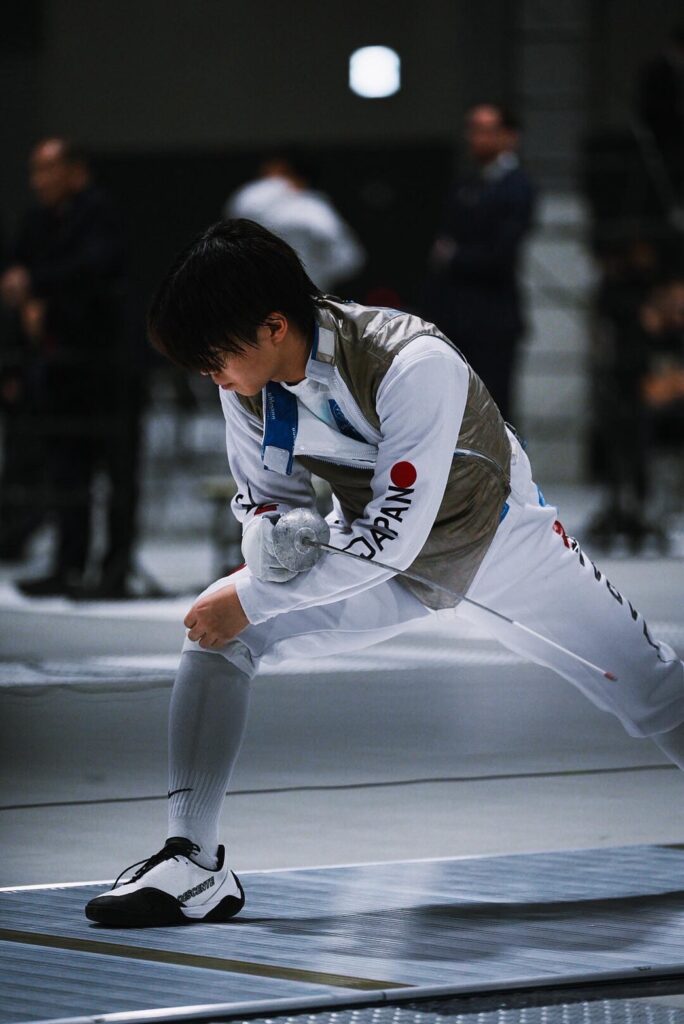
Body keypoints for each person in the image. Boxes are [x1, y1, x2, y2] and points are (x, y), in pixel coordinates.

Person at [85, 219, 684, 928]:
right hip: (377, 556)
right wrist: (268, 541)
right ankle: (194, 861)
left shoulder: (412, 361)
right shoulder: (245, 384)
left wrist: (252, 594)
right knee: (216, 633)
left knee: (650, 690)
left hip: (501, 548)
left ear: (274, 326)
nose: (210, 375)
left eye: (215, 357)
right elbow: (264, 500)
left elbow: (396, 540)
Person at [0, 138, 144, 597]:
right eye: (35, 171)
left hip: (109, 365)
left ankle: (113, 570)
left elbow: (94, 268)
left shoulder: (102, 212)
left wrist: (36, 286)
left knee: (118, 473)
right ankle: (68, 565)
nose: (38, 181)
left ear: (75, 171)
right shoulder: (36, 220)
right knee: (67, 471)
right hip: (62, 366)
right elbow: (17, 276)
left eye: (47, 169)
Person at [424, 104, 535, 423]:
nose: (477, 138)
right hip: (456, 313)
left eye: (486, 130)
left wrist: (456, 256)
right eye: (473, 130)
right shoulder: (466, 183)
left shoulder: (517, 186)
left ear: (510, 136)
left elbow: (499, 254)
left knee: (492, 409)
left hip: (493, 318)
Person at [225, 150, 365, 292]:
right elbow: (348, 257)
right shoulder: (312, 206)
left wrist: (317, 275)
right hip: (276, 289)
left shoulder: (312, 207)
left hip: (284, 290)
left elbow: (347, 256)